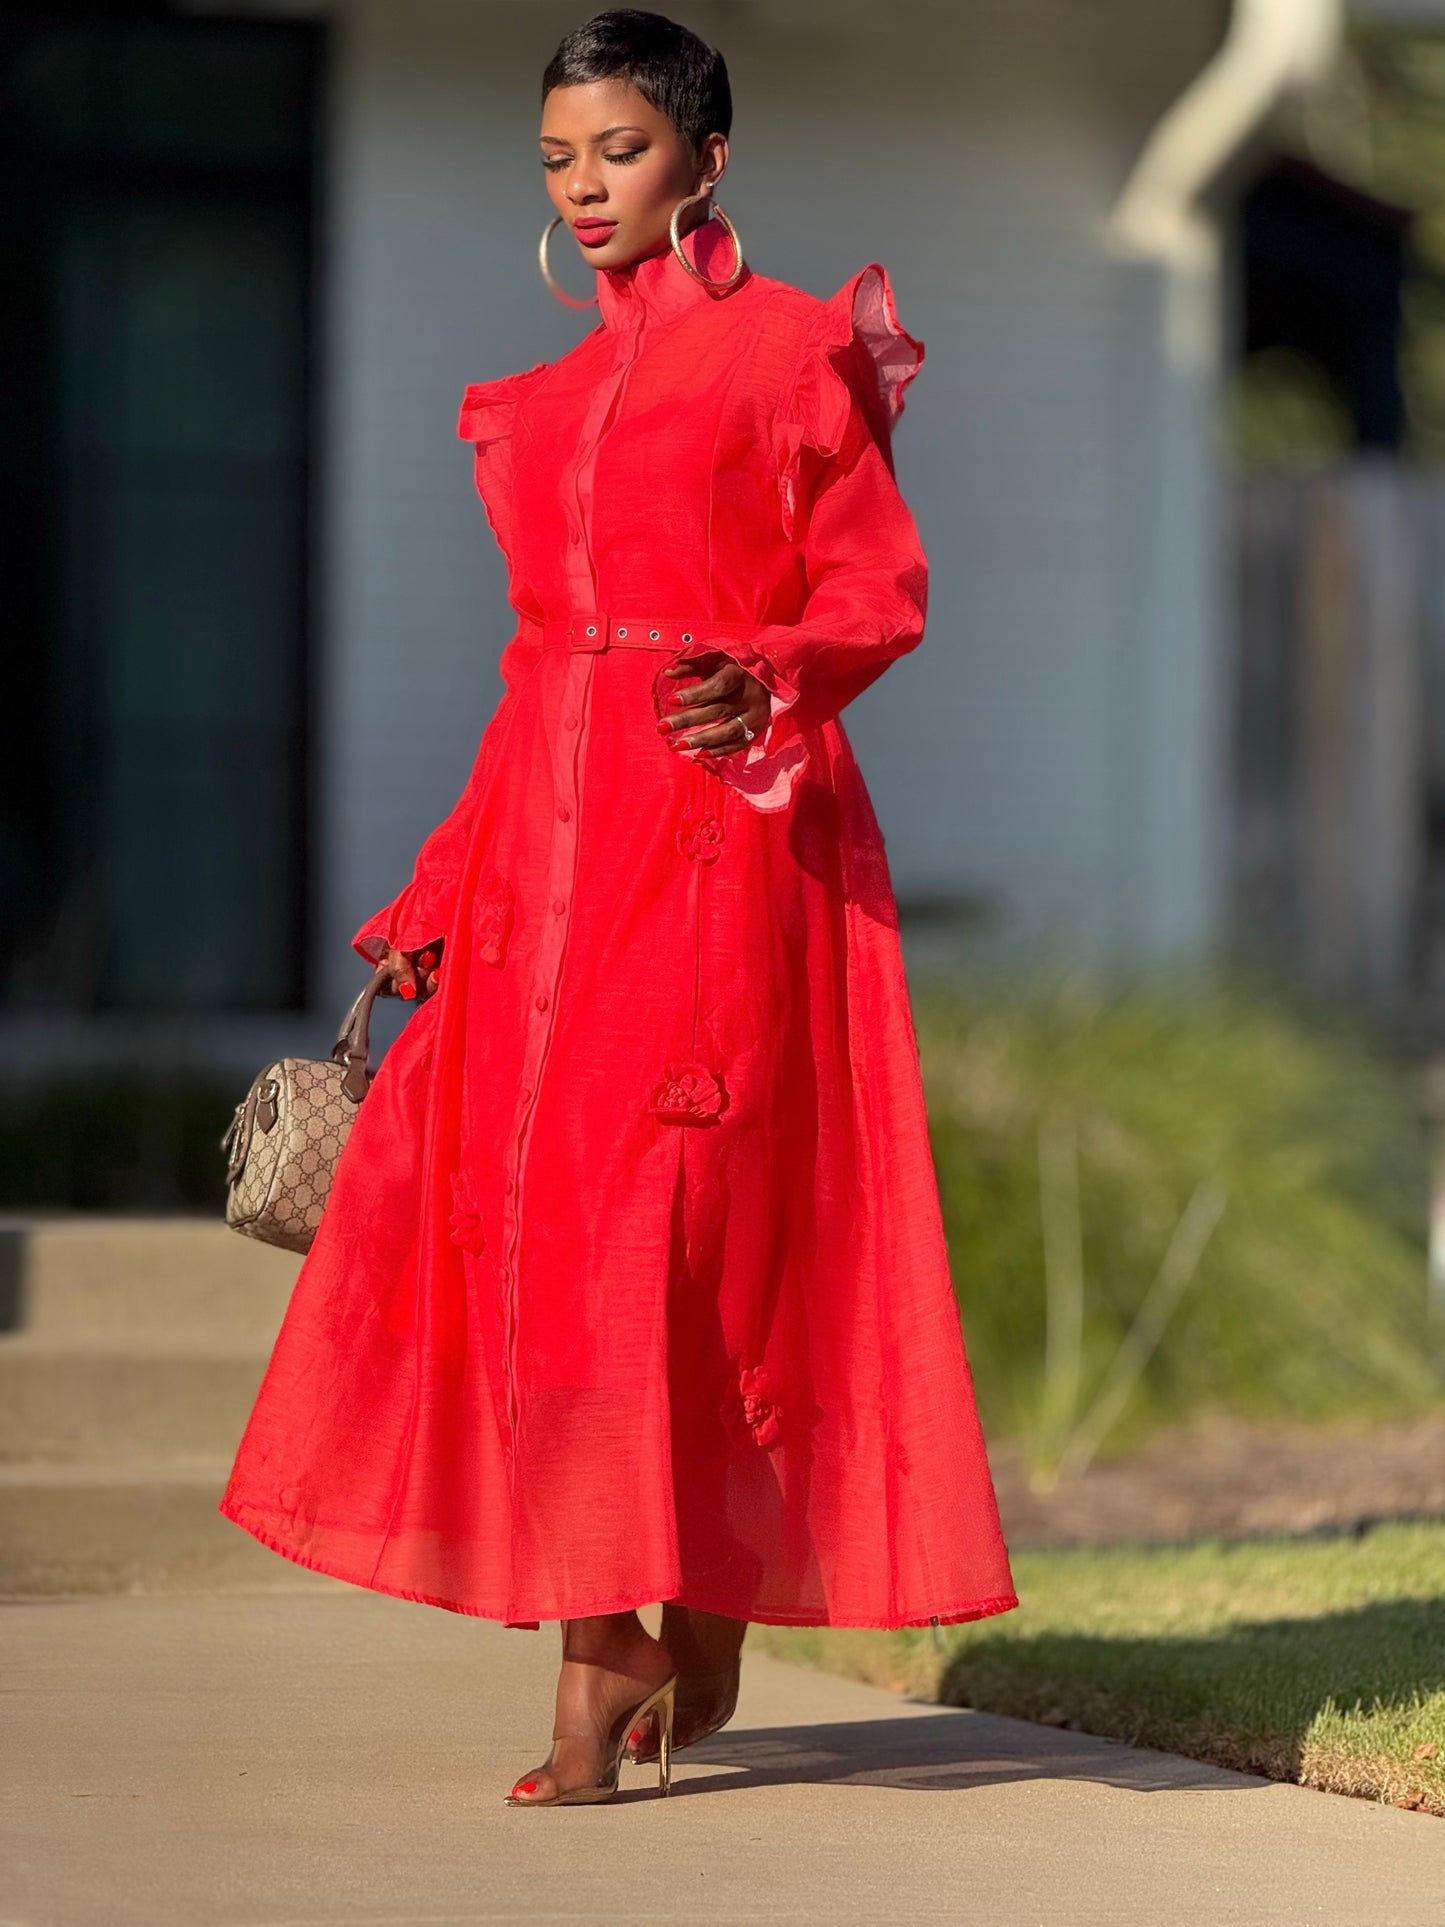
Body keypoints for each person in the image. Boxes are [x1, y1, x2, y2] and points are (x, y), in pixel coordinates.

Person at [221, 6, 1017, 1809]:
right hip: (540, 869)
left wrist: (773, 669)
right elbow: (532, 671)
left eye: (622, 153)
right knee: (544, 1263)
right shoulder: (544, 404)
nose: (587, 189)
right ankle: (605, 1661)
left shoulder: (790, 354)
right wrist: (442, 882)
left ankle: (694, 1616)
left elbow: (874, 587)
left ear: (707, 161)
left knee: (690, 1250)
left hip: (724, 849)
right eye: (560, 160)